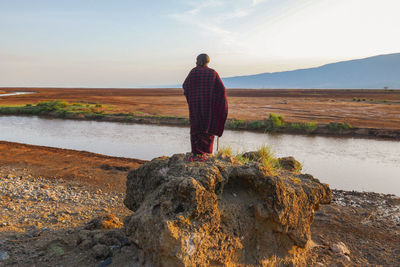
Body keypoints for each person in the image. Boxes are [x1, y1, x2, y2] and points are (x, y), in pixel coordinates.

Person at [183, 53, 228, 162]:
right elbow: (222, 90)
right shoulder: (213, 73)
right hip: (209, 108)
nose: (195, 62)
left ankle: (196, 155)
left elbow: (185, 86)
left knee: (196, 128)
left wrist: (192, 98)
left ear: (200, 61)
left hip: (195, 107)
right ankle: (206, 155)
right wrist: (217, 103)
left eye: (197, 60)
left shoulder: (193, 72)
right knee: (208, 128)